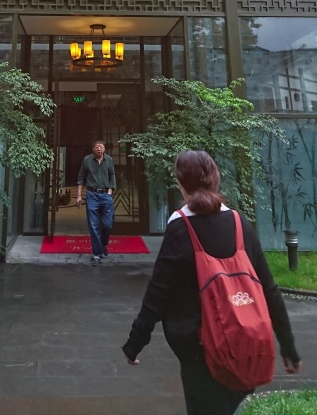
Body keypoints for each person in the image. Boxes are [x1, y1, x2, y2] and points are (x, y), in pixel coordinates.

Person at [122, 150, 301, 415]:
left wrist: (135, 343)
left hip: (199, 350)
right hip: (244, 341)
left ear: (181, 184)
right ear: (216, 179)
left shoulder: (181, 228)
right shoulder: (240, 224)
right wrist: (288, 345)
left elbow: (158, 294)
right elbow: (269, 289)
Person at [77, 140, 116, 265]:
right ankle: (97, 255)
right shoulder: (87, 160)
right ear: (93, 149)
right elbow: (81, 177)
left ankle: (103, 243)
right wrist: (79, 196)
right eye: (97, 147)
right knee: (93, 226)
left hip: (105, 195)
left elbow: (112, 176)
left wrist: (110, 191)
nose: (99, 149)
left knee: (108, 224)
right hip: (92, 195)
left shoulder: (109, 160)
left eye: (101, 147)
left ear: (104, 149)